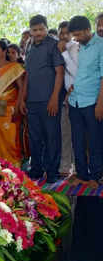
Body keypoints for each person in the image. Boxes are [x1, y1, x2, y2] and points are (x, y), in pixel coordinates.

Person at [19, 14, 65, 183]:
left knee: (52, 136)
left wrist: (54, 98)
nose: (38, 33)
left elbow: (59, 72)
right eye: (34, 30)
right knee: (35, 137)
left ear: (46, 28)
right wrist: (23, 98)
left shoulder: (53, 45)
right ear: (30, 31)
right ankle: (36, 169)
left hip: (49, 100)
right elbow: (28, 75)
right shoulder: (29, 46)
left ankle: (52, 172)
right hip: (32, 101)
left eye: (41, 29)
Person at [67, 16, 103, 187]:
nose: (77, 38)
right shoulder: (77, 47)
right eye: (74, 36)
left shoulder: (101, 45)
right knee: (77, 139)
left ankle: (96, 176)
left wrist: (100, 104)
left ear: (89, 30)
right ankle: (82, 174)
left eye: (79, 34)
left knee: (95, 140)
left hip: (92, 102)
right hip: (75, 101)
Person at [0, 40, 25, 166]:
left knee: (9, 137)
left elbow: (22, 88)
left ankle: (13, 166)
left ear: (4, 52)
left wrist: (19, 105)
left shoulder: (14, 67)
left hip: (8, 108)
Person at [57, 21, 79, 176]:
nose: (64, 36)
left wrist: (64, 53)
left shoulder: (75, 48)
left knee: (77, 135)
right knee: (64, 133)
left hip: (78, 97)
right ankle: (65, 167)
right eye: (61, 33)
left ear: (72, 34)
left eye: (67, 33)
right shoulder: (57, 47)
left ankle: (79, 169)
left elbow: (75, 72)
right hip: (63, 98)